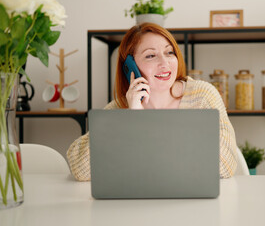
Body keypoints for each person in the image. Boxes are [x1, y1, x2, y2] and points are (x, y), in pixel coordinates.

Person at [67, 23, 237, 181]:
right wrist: (132, 119)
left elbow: (226, 165)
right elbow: (80, 169)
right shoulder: (122, 107)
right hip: (138, 205)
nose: (165, 63)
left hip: (190, 203)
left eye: (169, 52)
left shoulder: (203, 96)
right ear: (129, 66)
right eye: (151, 55)